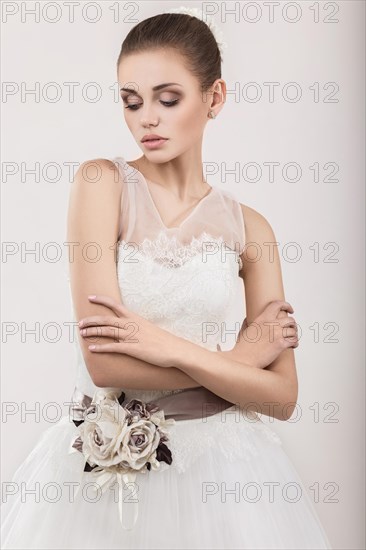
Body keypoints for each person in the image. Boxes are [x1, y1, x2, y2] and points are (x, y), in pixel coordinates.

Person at [1, 9, 332, 549]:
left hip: (228, 470)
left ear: (214, 98)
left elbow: (282, 397)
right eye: (131, 101)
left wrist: (159, 346)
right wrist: (240, 361)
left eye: (167, 99)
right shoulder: (102, 182)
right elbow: (104, 365)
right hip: (108, 474)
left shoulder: (253, 229)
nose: (145, 118)